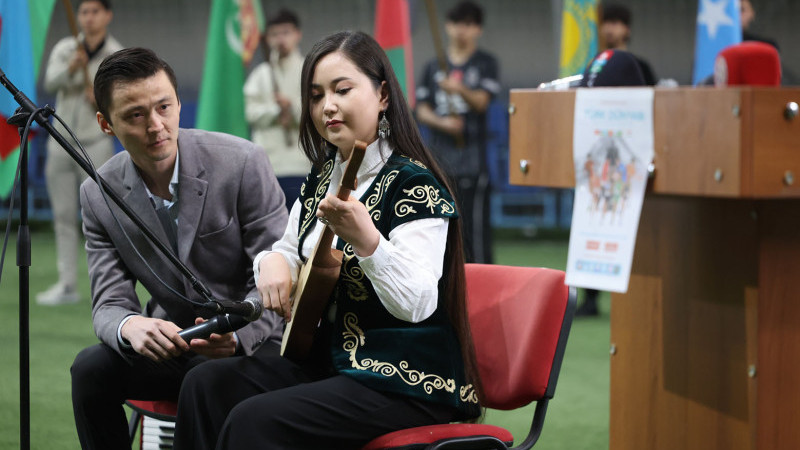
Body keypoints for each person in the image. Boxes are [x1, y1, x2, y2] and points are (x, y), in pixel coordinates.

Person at [173, 30, 482, 450]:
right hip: (329, 361)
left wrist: (369, 241)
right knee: (204, 383)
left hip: (405, 380)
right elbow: (286, 247)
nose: (327, 106)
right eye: (316, 95)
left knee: (255, 420)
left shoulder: (416, 186)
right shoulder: (322, 176)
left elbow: (418, 302)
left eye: (342, 89)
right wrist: (271, 263)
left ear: (384, 96)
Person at [70, 47, 288, 449]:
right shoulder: (97, 192)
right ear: (105, 123)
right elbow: (108, 302)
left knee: (203, 379)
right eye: (135, 115)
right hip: (176, 343)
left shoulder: (242, 162)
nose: (156, 125)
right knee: (90, 368)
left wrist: (239, 336)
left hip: (260, 343)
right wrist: (128, 327)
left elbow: (279, 270)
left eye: (164, 106)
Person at [38, 0, 123, 305]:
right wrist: (71, 69)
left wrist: (100, 99)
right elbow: (49, 81)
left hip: (95, 142)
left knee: (100, 215)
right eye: (83, 12)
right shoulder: (66, 48)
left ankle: (107, 284)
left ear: (107, 15)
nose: (88, 18)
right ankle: (67, 284)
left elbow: (120, 98)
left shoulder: (116, 53)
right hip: (59, 139)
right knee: (62, 215)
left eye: (95, 11)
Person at [415, 0, 499, 264]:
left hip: (473, 160)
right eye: (457, 24)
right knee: (442, 227)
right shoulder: (432, 66)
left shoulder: (485, 63)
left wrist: (458, 89)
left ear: (478, 29)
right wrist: (443, 124)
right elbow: (421, 110)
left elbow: (482, 102)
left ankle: (484, 283)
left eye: (469, 25)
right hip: (440, 159)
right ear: (447, 26)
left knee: (475, 229)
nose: (462, 30)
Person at [244, 8, 309, 211]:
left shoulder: (310, 69)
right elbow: (250, 113)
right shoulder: (260, 74)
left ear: (298, 34)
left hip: (303, 164)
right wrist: (275, 111)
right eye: (275, 34)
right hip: (268, 166)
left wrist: (292, 107)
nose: (281, 39)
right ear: (268, 38)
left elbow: (320, 109)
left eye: (286, 32)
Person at [599, 3, 657, 86]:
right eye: (604, 23)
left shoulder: (639, 66)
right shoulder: (596, 63)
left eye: (614, 23)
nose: (608, 28)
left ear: (627, 29)